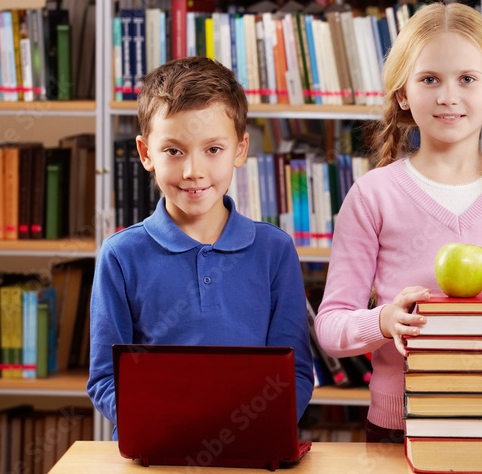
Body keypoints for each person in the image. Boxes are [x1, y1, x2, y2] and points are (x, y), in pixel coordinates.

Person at [315, 2, 482, 443]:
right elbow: (330, 328)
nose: (448, 96)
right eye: (429, 79)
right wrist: (382, 322)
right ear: (403, 94)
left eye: (468, 80)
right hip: (400, 429)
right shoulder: (371, 195)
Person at [87, 56, 314, 437]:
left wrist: (248, 431)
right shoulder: (120, 256)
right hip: (154, 451)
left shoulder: (274, 250)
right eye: (174, 151)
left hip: (250, 449)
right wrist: (168, 426)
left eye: (213, 149)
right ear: (146, 154)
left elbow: (296, 373)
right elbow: (106, 379)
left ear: (240, 150)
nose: (193, 170)